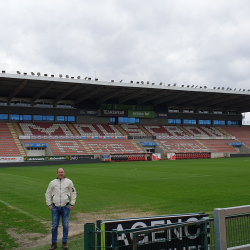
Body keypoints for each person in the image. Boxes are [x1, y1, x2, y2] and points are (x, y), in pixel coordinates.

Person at [45, 167, 77, 250]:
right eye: (59, 172)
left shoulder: (69, 182)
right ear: (57, 173)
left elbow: (73, 193)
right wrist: (49, 204)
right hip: (55, 207)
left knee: (65, 225)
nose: (60, 173)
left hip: (66, 207)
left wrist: (72, 204)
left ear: (64, 173)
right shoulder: (52, 182)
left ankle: (64, 243)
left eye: (62, 172)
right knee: (54, 226)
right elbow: (47, 193)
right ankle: (54, 243)